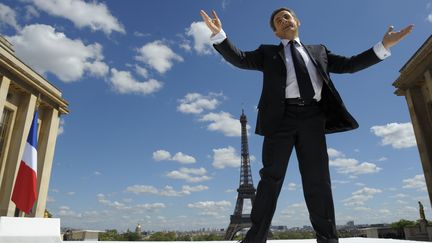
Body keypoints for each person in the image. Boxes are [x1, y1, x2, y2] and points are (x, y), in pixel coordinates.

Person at [200, 7, 413, 243]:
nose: (283, 20)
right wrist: (220, 35)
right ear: (275, 32)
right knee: (270, 179)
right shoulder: (267, 52)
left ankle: (327, 239)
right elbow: (240, 59)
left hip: (313, 117)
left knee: (318, 179)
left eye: (287, 16)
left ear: (297, 22)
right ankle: (254, 240)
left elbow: (350, 65)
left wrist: (383, 46)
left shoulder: (318, 51)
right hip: (280, 118)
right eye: (277, 20)